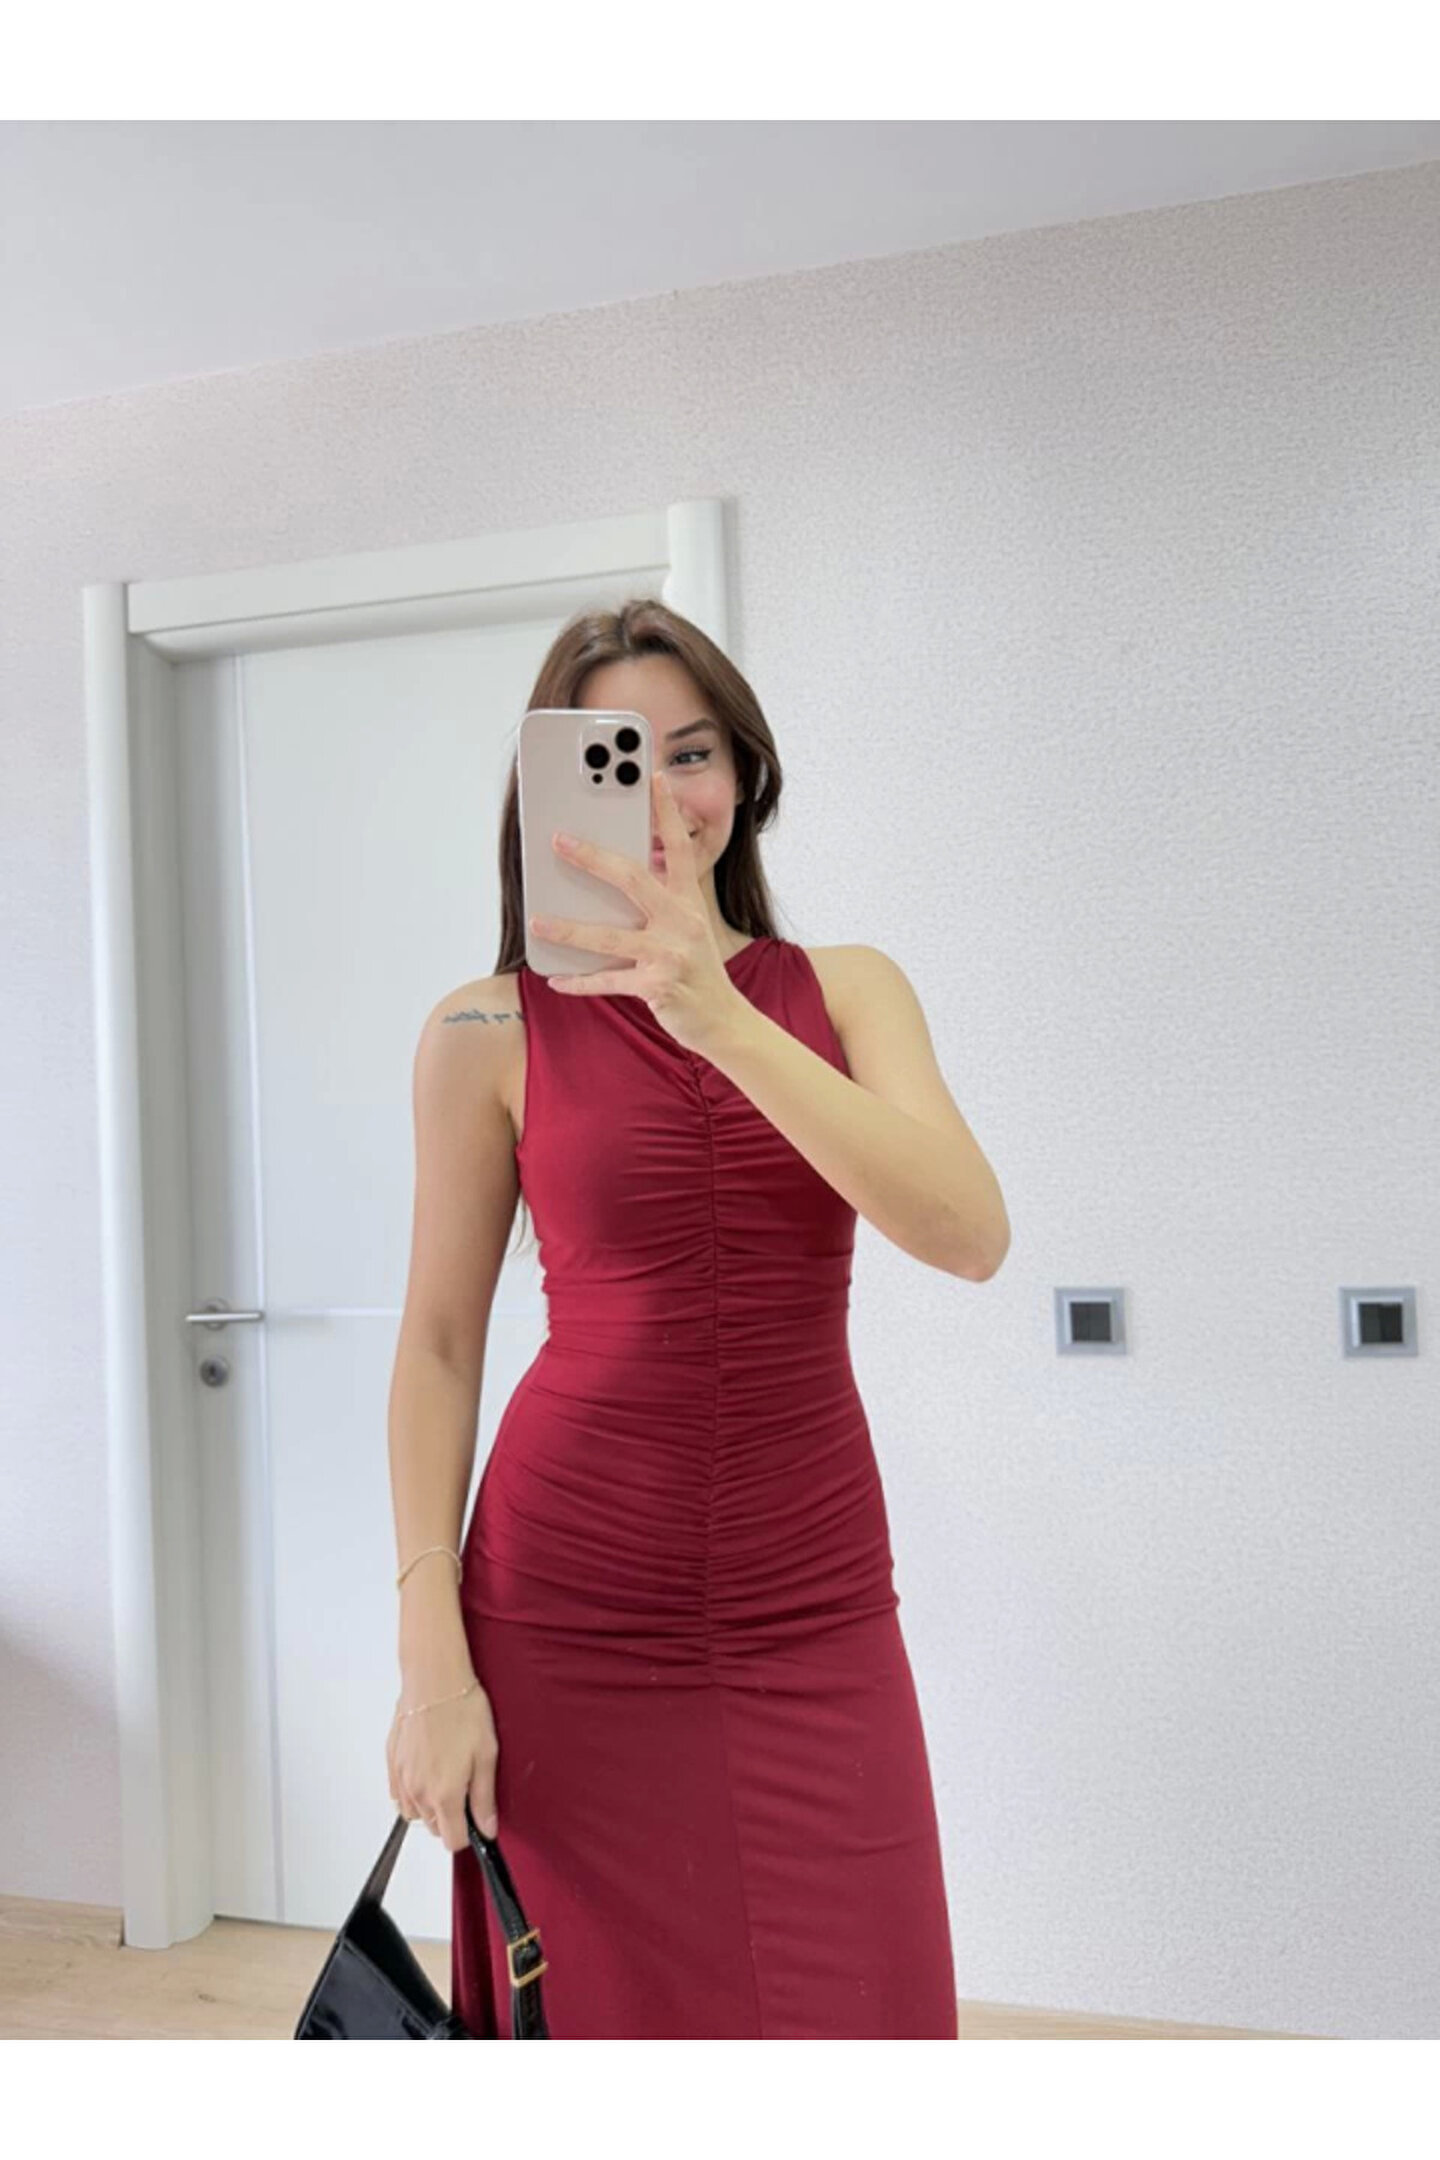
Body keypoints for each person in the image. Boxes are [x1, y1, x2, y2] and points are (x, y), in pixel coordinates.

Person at [385, 599, 1010, 2038]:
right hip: (563, 1607)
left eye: (694, 754)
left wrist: (717, 1012)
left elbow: (968, 1234)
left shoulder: (847, 990)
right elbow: (437, 1346)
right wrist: (431, 1649)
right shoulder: (485, 1031)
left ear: (745, 775)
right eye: (622, 760)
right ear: (554, 793)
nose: (665, 800)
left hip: (814, 1600)